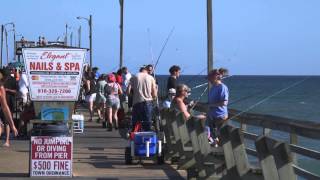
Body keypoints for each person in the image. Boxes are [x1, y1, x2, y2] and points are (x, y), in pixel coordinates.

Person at [127, 66, 157, 131]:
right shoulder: (151, 77)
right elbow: (154, 94)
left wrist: (133, 95)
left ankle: (135, 136)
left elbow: (128, 91)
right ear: (146, 70)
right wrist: (153, 97)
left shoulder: (134, 77)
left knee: (136, 122)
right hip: (148, 102)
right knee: (147, 122)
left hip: (136, 102)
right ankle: (147, 137)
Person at [207, 68, 229, 144]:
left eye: (209, 77)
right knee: (214, 137)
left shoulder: (222, 87)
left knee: (222, 138)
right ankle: (216, 152)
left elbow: (224, 103)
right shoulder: (212, 88)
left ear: (215, 77)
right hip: (212, 117)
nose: (208, 80)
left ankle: (223, 153)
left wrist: (211, 105)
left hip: (220, 116)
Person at [0, 69, 18, 147]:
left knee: (1, 128)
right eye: (4, 80)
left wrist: (12, 125)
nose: (4, 82)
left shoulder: (1, 89)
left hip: (9, 101)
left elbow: (5, 108)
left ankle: (7, 140)